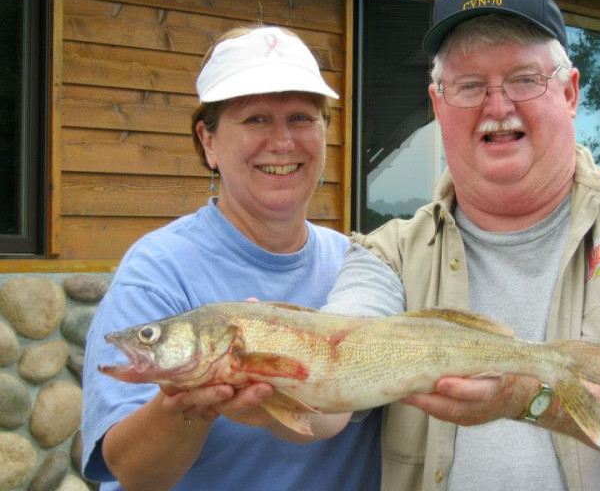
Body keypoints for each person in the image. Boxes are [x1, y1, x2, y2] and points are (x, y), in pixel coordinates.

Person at [322, 0, 600, 490]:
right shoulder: (386, 256)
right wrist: (254, 379)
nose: (497, 107)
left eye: (522, 79)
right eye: (469, 86)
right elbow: (327, 393)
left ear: (570, 92)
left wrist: (527, 393)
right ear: (437, 105)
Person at [81, 25, 381, 491]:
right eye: (255, 118)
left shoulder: (363, 268)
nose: (282, 142)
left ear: (326, 133)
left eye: (302, 117)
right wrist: (187, 403)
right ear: (209, 141)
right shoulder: (156, 271)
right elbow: (133, 472)